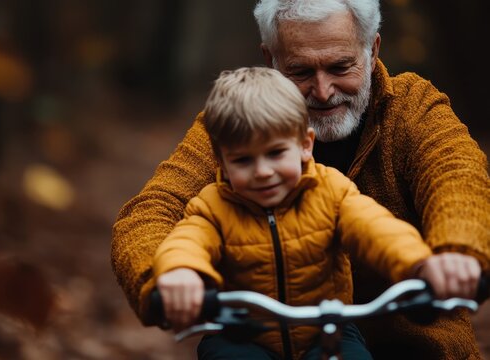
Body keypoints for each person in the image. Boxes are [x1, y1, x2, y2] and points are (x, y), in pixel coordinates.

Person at [111, 0, 490, 358]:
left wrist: (455, 253)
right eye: (301, 71)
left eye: (341, 67)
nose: (323, 92)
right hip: (261, 343)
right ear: (270, 59)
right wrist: (168, 278)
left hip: (415, 343)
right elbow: (154, 209)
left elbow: (458, 174)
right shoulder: (240, 125)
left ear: (372, 50)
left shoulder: (412, 106)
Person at [153, 66, 477, 360]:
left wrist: (418, 264)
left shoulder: (331, 191)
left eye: (276, 153)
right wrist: (181, 272)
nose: (263, 172)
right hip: (242, 333)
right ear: (221, 162)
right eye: (243, 161)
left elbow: (375, 228)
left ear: (305, 144)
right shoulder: (213, 206)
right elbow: (186, 241)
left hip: (326, 332)